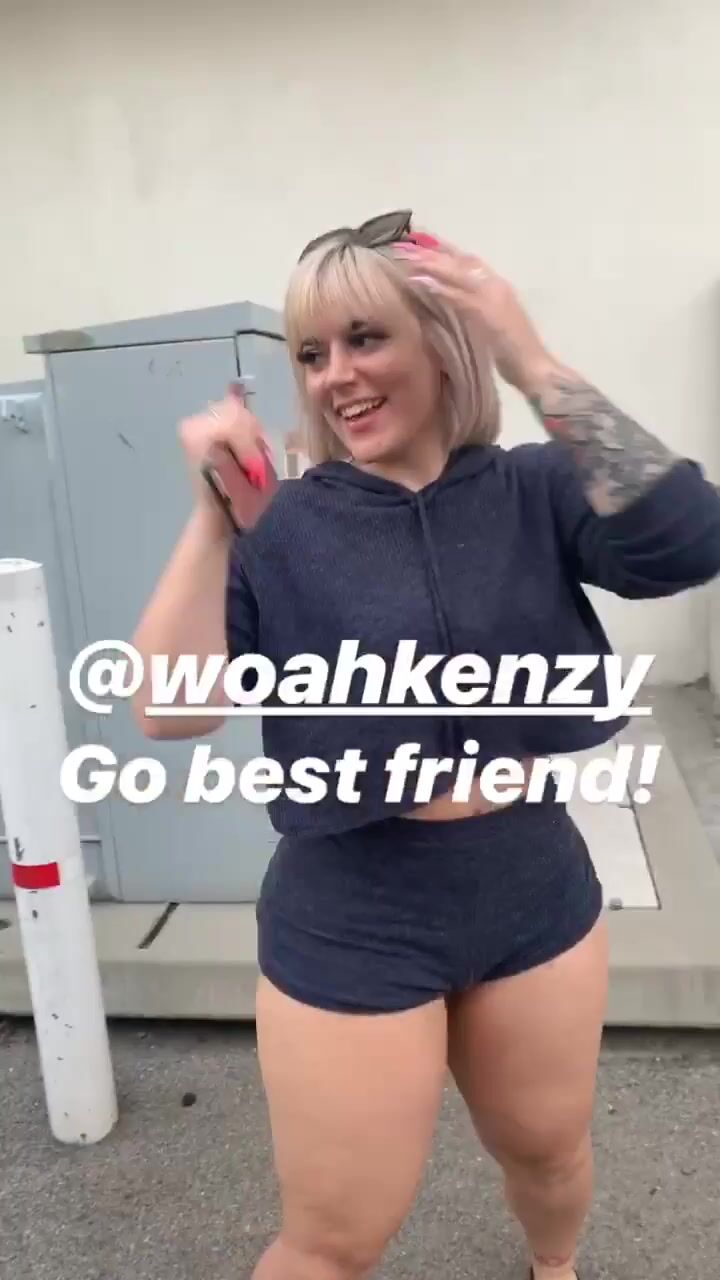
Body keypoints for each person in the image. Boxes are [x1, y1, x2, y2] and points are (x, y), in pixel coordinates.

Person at [131, 209, 720, 1280]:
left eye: (365, 338)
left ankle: (554, 1266)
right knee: (331, 1240)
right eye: (312, 353)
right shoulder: (280, 524)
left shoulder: (535, 488)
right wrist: (215, 518)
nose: (336, 376)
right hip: (354, 907)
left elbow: (691, 538)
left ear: (444, 343)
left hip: (529, 882)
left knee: (548, 1152)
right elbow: (170, 707)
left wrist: (530, 358)